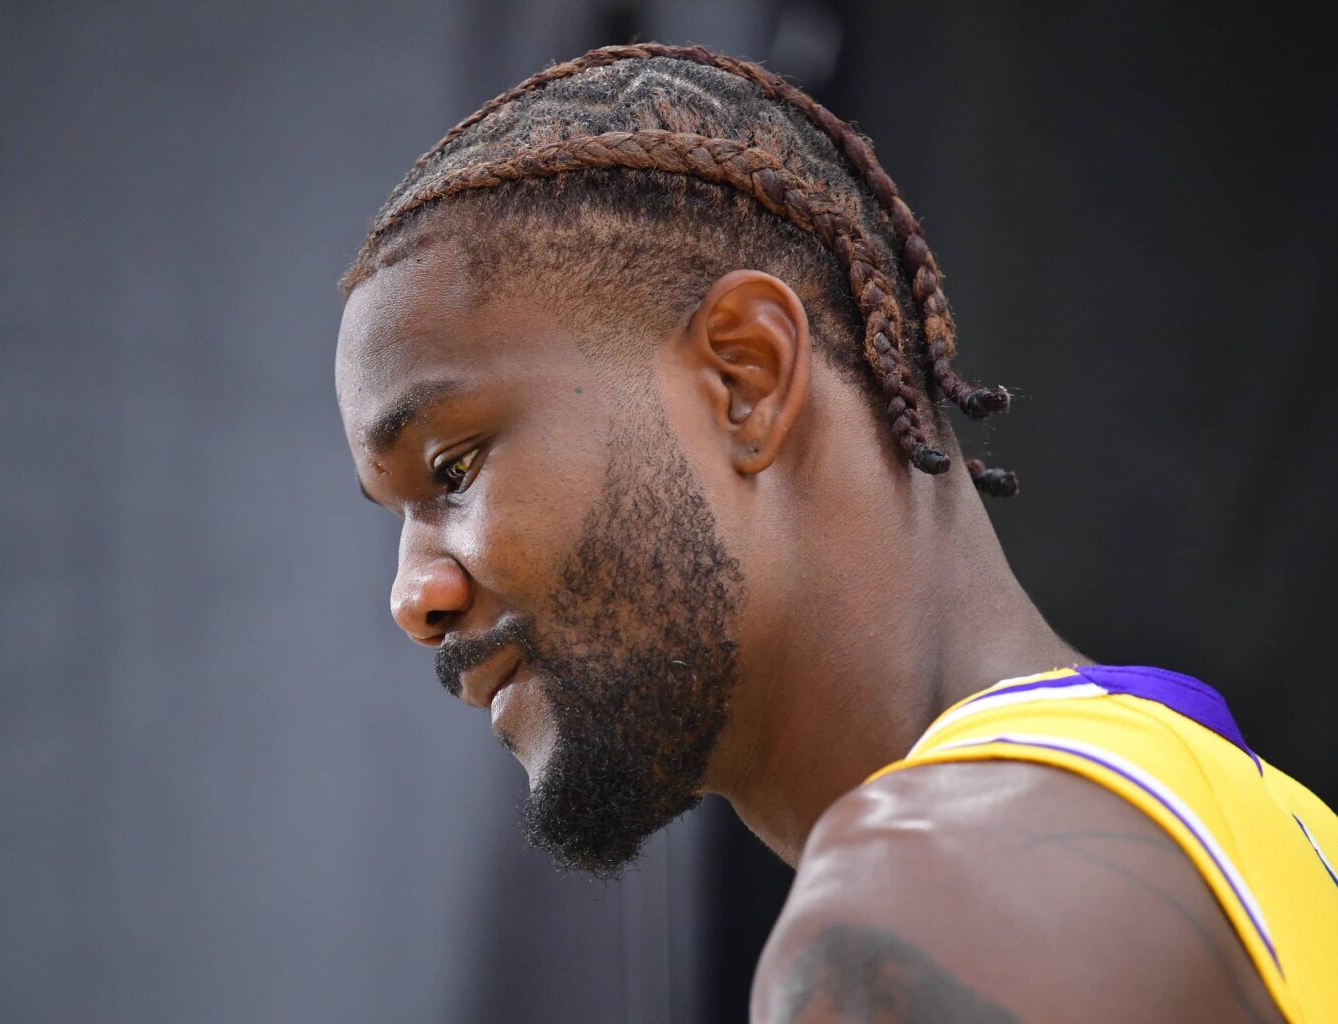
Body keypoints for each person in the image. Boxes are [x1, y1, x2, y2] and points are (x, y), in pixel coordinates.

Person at [334, 44, 1337, 1022]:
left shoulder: (926, 906)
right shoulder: (1265, 826)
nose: (414, 597)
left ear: (745, 377)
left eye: (453, 469)